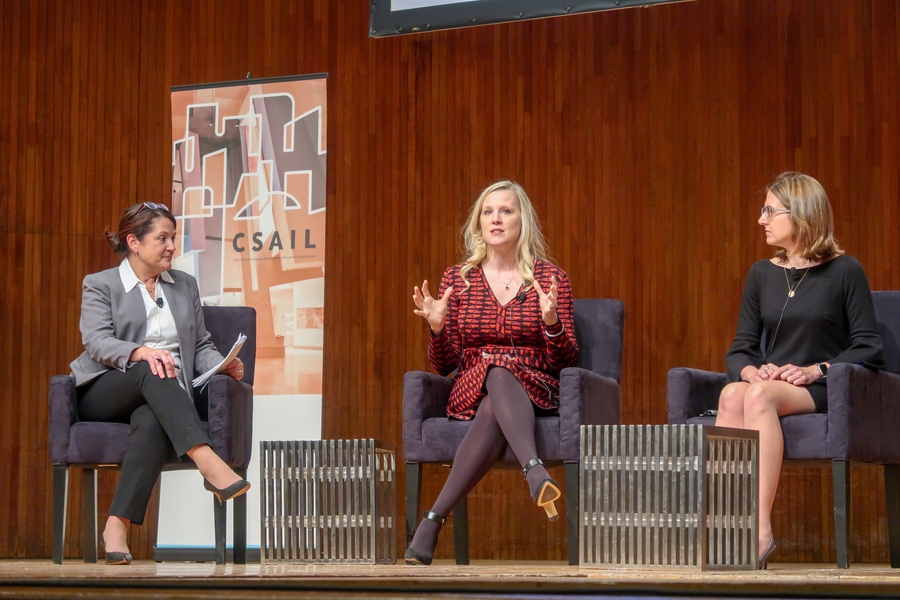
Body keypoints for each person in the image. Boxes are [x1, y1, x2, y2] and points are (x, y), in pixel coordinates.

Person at [715, 172, 883, 569]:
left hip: (823, 386)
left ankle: (759, 531)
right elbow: (740, 347)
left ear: (802, 214)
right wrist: (752, 372)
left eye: (770, 211)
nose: (762, 220)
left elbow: (868, 345)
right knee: (732, 393)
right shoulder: (761, 274)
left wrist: (816, 370)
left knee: (757, 396)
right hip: (771, 385)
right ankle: (726, 527)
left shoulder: (846, 270)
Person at [405, 181, 579, 565]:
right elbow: (445, 363)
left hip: (535, 382)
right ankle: (533, 470)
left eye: (506, 210)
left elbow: (564, 361)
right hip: (470, 384)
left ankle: (432, 521)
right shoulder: (457, 279)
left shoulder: (551, 278)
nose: (496, 219)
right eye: (488, 212)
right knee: (494, 376)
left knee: (500, 378)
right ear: (478, 223)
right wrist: (436, 328)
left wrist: (551, 321)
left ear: (523, 220)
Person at [70, 202, 251, 565]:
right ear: (133, 242)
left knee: (152, 420)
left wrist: (222, 365)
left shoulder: (184, 285)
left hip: (162, 395)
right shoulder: (101, 284)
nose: (172, 246)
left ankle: (116, 526)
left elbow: (200, 344)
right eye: (163, 238)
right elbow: (97, 341)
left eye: (174, 238)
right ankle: (207, 461)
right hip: (107, 388)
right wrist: (140, 351)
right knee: (155, 364)